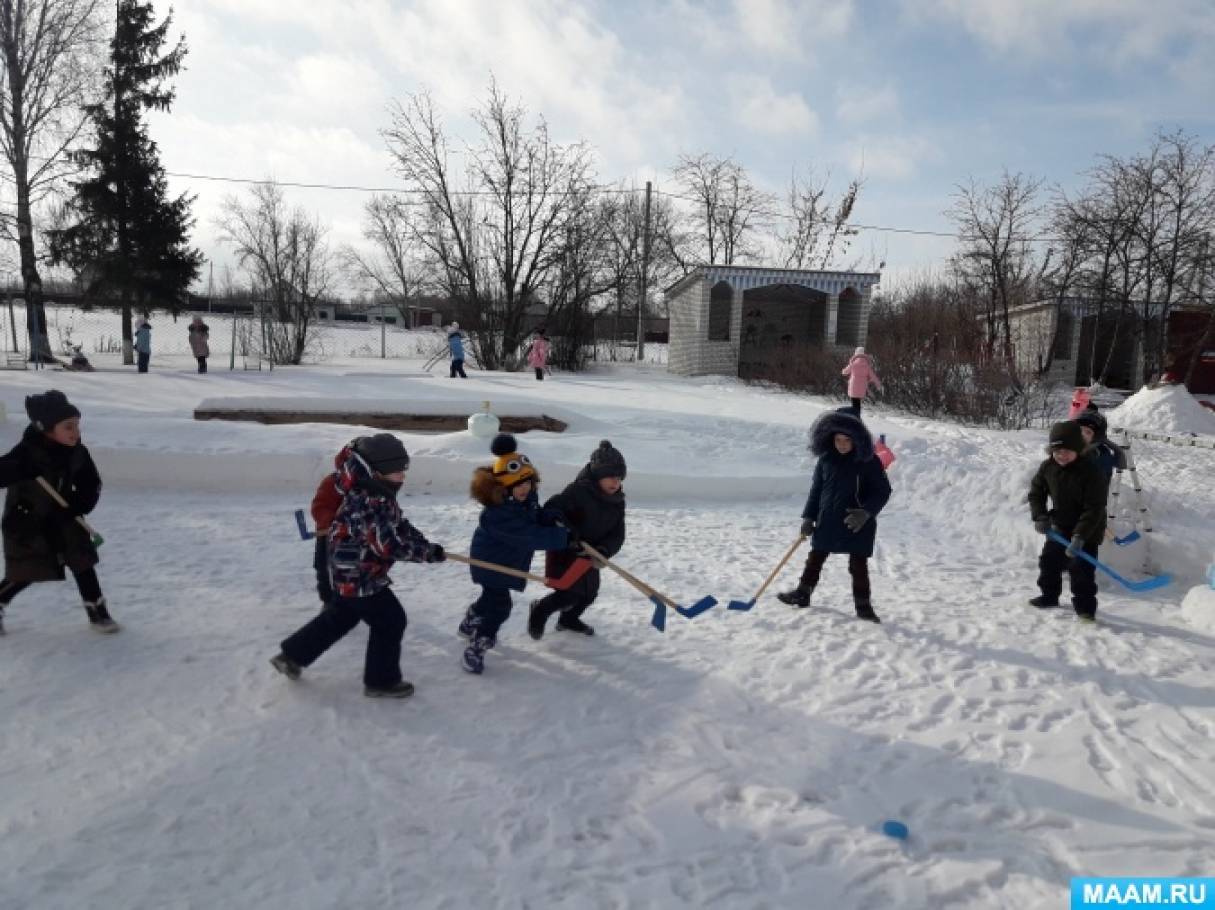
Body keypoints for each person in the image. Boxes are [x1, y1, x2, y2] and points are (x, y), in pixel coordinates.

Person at [270, 434, 446, 698]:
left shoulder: (378, 494)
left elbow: (399, 526)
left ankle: (292, 655)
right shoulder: (370, 502)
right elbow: (387, 546)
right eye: (395, 470)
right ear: (373, 471)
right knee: (390, 620)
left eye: (403, 468)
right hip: (361, 575)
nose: (402, 476)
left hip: (349, 571)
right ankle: (381, 681)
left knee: (340, 617)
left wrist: (424, 543)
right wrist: (425, 554)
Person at [0, 390, 118, 635]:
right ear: (46, 428)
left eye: (76, 425)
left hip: (65, 515)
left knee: (82, 562)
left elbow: (91, 483)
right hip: (29, 520)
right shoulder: (26, 452)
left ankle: (98, 612)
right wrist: (20, 468)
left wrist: (79, 504)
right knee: (26, 571)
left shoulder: (77, 452)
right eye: (68, 427)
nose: (75, 432)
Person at [460, 433, 569, 674]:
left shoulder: (525, 500)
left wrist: (550, 518)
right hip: (490, 563)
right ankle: (478, 644)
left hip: (508, 562)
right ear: (504, 488)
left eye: (528, 482)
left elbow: (535, 517)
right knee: (500, 606)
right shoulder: (497, 514)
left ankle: (471, 619)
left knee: (490, 599)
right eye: (518, 485)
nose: (525, 488)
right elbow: (529, 535)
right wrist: (562, 538)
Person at [777, 408, 892, 622]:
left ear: (857, 439)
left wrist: (866, 513)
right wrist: (809, 517)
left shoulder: (868, 461)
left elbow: (883, 491)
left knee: (857, 566)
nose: (841, 444)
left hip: (856, 522)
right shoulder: (825, 460)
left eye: (847, 440)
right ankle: (803, 593)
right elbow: (816, 491)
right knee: (815, 558)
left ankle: (864, 607)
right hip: (828, 518)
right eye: (838, 439)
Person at [528, 440, 627, 639]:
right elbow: (552, 510)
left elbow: (618, 533)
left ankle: (567, 619)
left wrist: (605, 550)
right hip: (567, 552)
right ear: (598, 475)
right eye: (610, 477)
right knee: (568, 593)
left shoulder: (617, 502)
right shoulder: (577, 492)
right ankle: (540, 610)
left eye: (619, 478)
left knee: (589, 594)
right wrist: (568, 532)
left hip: (592, 555)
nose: (615, 482)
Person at [1027, 421, 1107, 622]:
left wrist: (1080, 536)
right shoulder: (1048, 467)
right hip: (1060, 526)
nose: (1061, 456)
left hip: (1088, 530)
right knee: (1049, 562)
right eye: (1057, 451)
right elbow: (1036, 493)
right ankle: (1049, 596)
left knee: (1081, 570)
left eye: (1067, 451)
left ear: (1079, 449)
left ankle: (1085, 609)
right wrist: (1040, 516)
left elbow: (1094, 508)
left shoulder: (1091, 472)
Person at [307, 437, 367, 605]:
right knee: (325, 569)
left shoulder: (368, 487)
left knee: (358, 568)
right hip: (328, 535)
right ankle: (329, 602)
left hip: (355, 538)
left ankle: (355, 600)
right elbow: (319, 507)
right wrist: (333, 522)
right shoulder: (332, 483)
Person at [1074, 405, 1123, 484]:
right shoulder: (1071, 446)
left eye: (1088, 432)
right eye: (1079, 430)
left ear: (1096, 436)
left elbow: (1103, 482)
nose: (1082, 434)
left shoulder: (1101, 454)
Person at [841, 346, 881, 415]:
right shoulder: (867, 365)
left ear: (856, 354)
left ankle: (854, 415)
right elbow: (873, 376)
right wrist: (878, 385)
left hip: (853, 386)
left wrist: (844, 370)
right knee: (858, 402)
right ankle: (857, 414)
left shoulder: (853, 364)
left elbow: (844, 372)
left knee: (854, 402)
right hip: (862, 387)